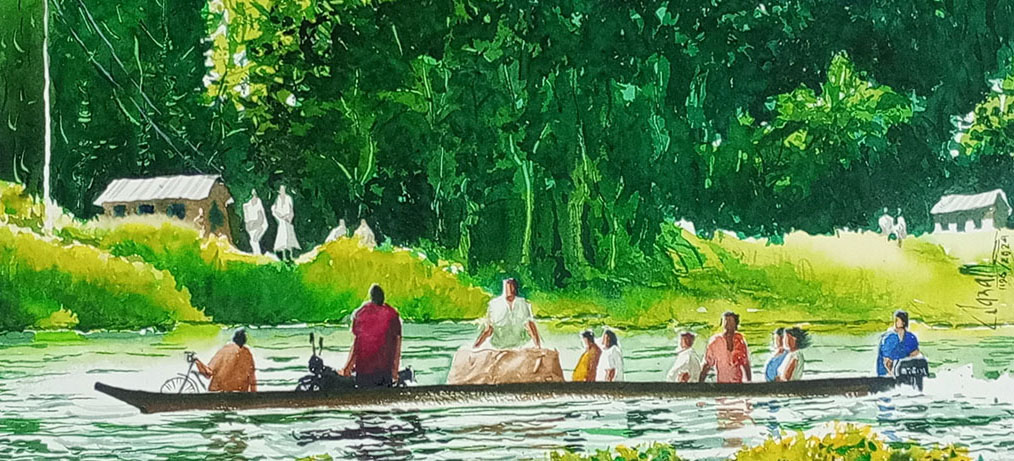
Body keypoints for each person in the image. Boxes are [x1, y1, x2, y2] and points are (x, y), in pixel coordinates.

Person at [341, 284, 403, 388]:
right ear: (383, 298)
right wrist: (395, 372)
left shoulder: (360, 313)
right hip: (384, 374)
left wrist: (347, 368)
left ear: (371, 297)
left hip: (363, 373)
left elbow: (357, 345)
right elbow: (397, 345)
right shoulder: (392, 314)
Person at [473, 278, 543, 349]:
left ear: (515, 287)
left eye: (511, 284)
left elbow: (530, 326)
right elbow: (489, 329)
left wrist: (538, 346)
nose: (510, 288)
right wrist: (476, 346)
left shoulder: (523, 303)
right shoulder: (494, 304)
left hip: (520, 346)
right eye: (508, 284)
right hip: (499, 347)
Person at [700, 311, 752, 383]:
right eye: (725, 321)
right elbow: (707, 364)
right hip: (721, 383)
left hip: (738, 383)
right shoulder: (715, 341)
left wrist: (749, 382)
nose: (727, 324)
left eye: (730, 321)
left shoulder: (740, 340)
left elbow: (745, 363)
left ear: (735, 324)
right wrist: (700, 382)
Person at [877, 310, 921, 377]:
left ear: (903, 322)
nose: (894, 322)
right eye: (894, 320)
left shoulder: (910, 338)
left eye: (897, 320)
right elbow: (887, 362)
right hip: (885, 375)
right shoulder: (889, 338)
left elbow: (916, 354)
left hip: (902, 373)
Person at [271, 185, 301, 261]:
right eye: (281, 190)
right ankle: (283, 256)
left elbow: (291, 209)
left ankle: (290, 255)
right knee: (282, 237)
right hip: (281, 220)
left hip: (287, 220)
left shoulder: (288, 198)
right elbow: (275, 210)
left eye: (283, 189)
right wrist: (280, 217)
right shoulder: (277, 199)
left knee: (289, 238)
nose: (282, 191)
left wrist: (288, 217)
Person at [243, 189, 269, 254]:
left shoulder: (259, 202)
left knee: (255, 239)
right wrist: (249, 226)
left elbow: (261, 217)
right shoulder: (246, 205)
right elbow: (246, 218)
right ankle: (257, 254)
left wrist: (257, 226)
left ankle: (258, 254)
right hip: (251, 225)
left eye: (255, 195)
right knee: (253, 241)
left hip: (261, 224)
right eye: (252, 195)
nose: (254, 197)